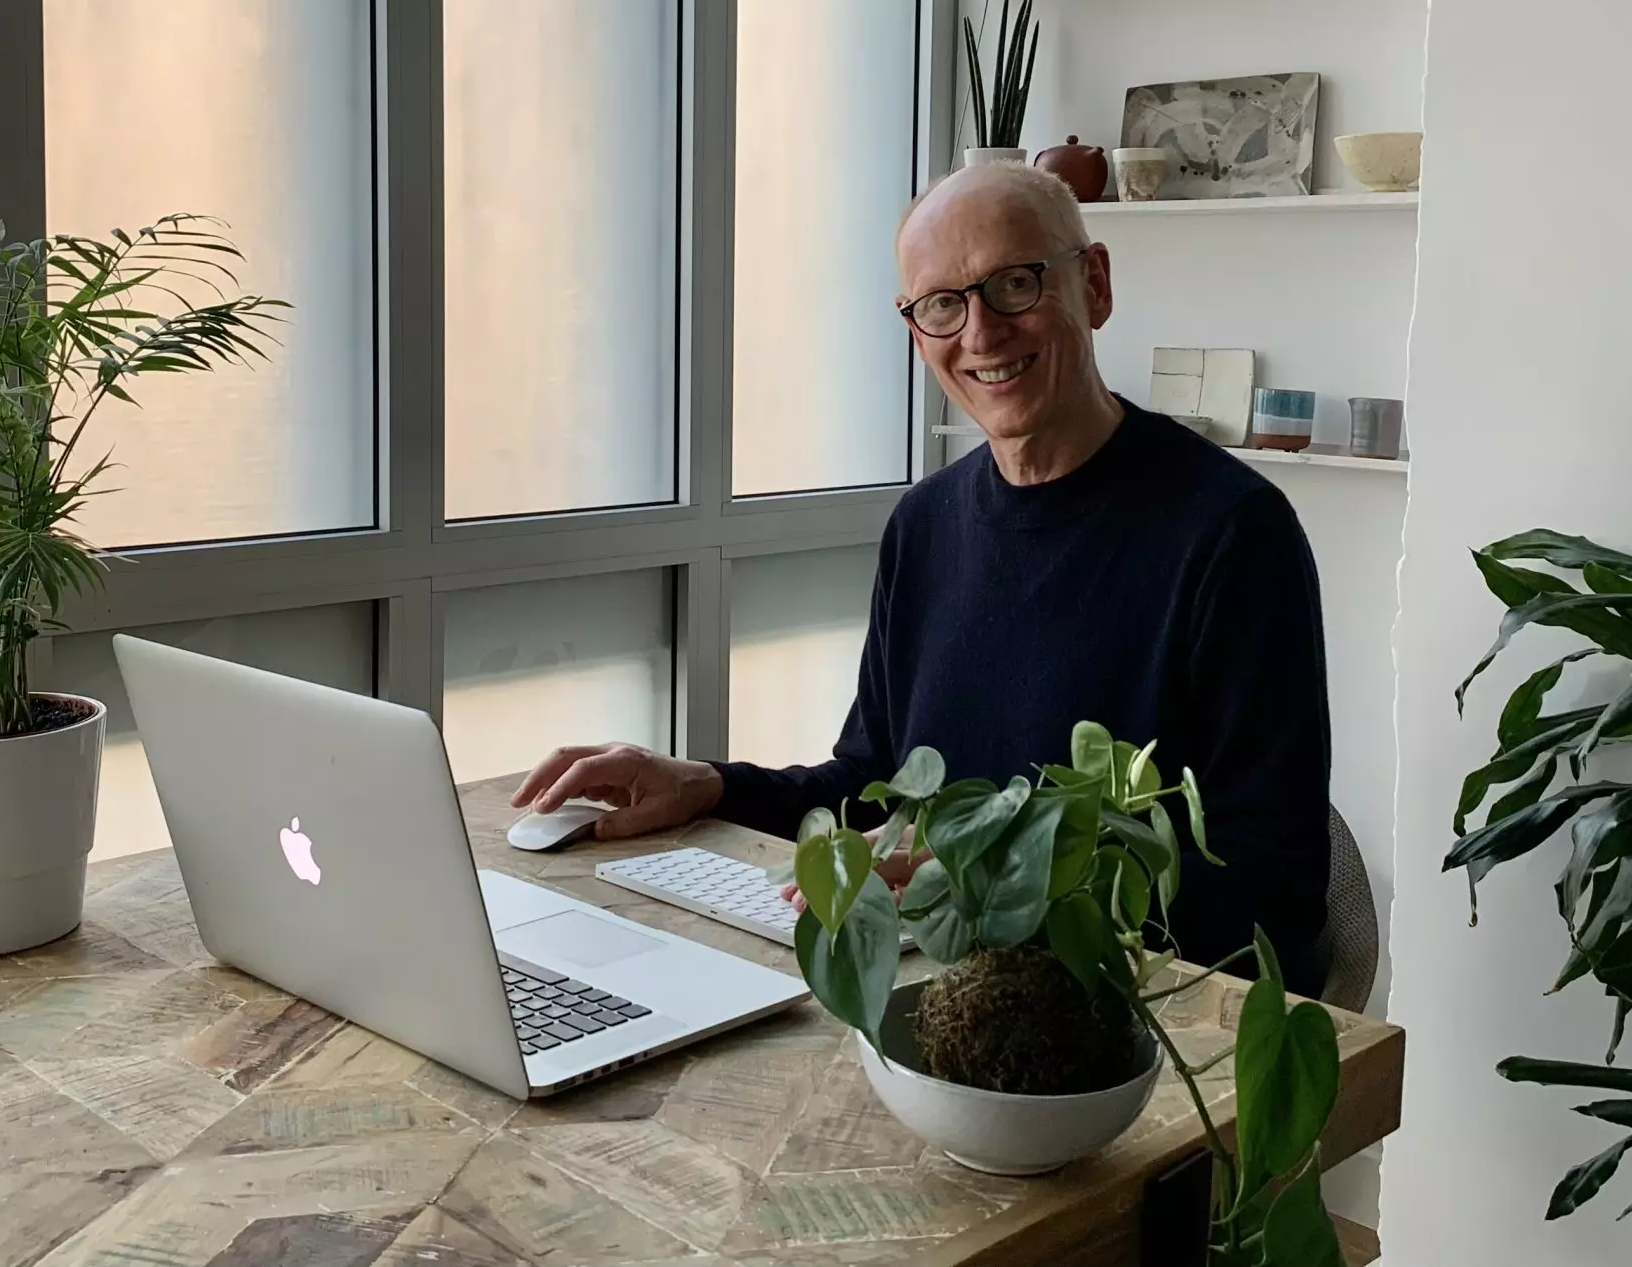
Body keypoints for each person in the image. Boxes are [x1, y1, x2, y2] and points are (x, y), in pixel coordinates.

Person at [512, 163, 1333, 993]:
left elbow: (1273, 888)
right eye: (942, 303)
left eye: (1014, 283)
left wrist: (977, 881)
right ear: (916, 330)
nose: (980, 332)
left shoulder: (1231, 533)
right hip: (942, 988)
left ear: (1094, 284)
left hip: (1120, 1019)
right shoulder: (925, 524)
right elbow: (873, 792)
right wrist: (708, 785)